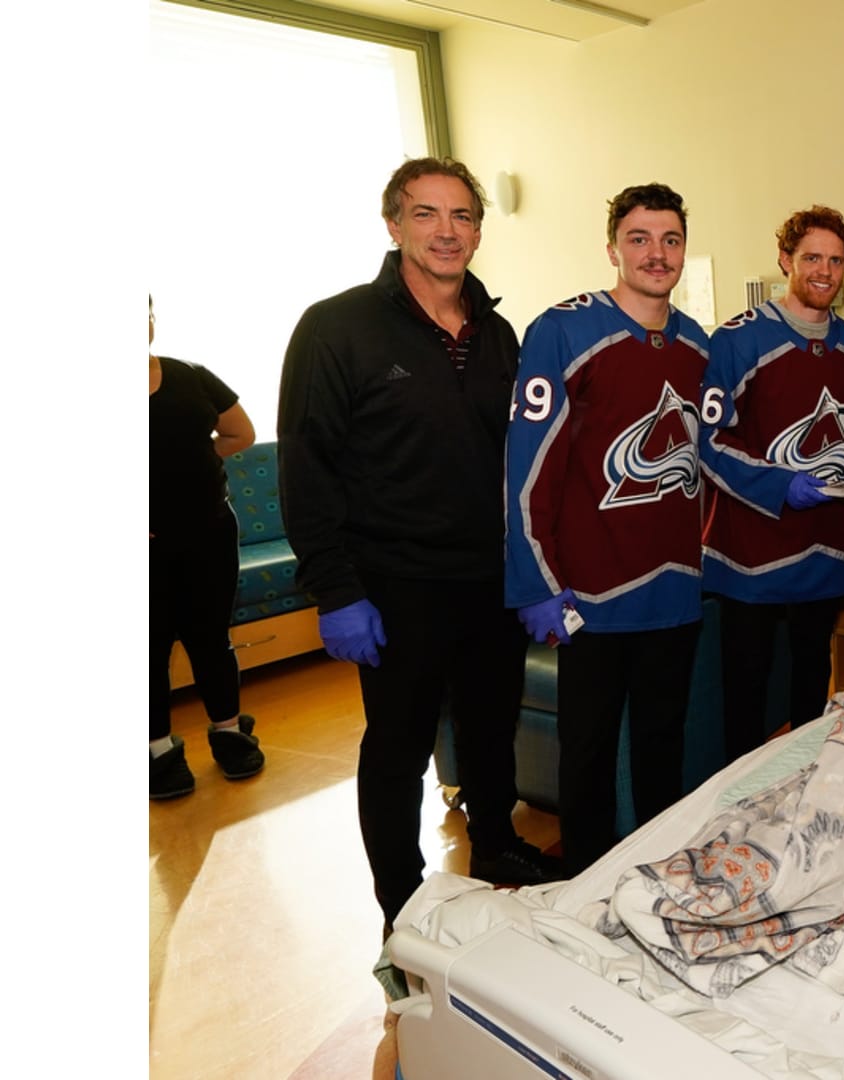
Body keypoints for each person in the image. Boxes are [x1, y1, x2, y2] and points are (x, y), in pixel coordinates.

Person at [279, 157, 558, 932]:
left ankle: (496, 845)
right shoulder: (336, 328)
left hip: (488, 579)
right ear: (394, 223)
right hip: (394, 585)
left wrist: (530, 570)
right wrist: (336, 591)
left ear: (478, 230)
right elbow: (306, 466)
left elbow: (516, 463)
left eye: (462, 215)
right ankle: (400, 903)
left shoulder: (497, 333)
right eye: (426, 213)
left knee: (490, 727)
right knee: (398, 749)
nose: (446, 231)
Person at [504, 183, 709, 875]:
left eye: (671, 240)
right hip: (591, 594)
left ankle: (654, 876)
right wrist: (536, 581)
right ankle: (584, 885)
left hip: (674, 592)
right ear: (613, 247)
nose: (657, 254)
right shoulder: (562, 331)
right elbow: (527, 468)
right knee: (587, 753)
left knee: (663, 745)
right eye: (639, 238)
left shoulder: (697, 344)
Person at [700, 205, 844, 763]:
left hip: (824, 551)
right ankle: (734, 796)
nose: (824, 271)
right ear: (785, 260)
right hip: (751, 554)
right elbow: (708, 439)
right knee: (747, 689)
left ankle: (804, 782)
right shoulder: (738, 340)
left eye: (835, 260)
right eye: (812, 258)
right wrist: (778, 484)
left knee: (811, 681)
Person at [150, 296, 265, 799]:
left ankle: (229, 732)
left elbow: (240, 432)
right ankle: (157, 750)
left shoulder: (191, 375)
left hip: (209, 531)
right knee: (147, 646)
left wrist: (196, 461)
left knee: (210, 637)